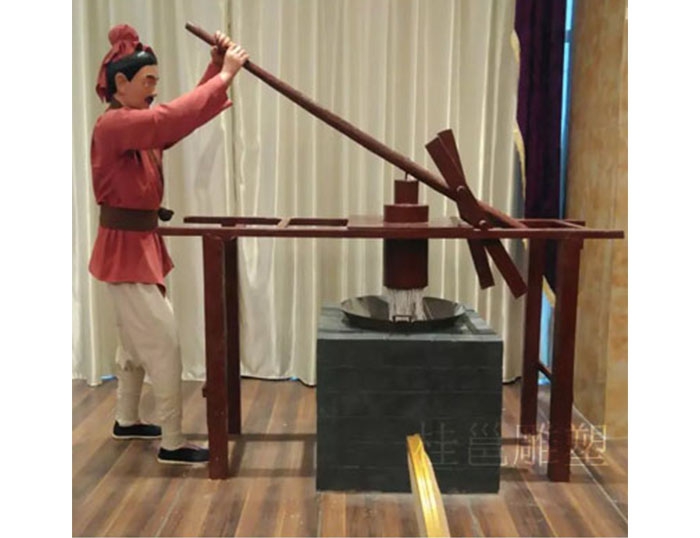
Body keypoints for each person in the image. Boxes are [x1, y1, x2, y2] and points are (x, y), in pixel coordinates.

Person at [89, 24, 248, 464]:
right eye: (148, 81)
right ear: (121, 83)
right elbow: (167, 120)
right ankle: (173, 443)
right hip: (126, 249)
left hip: (136, 244)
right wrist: (225, 75)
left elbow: (177, 120)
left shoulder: (135, 125)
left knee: (134, 343)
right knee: (161, 343)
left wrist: (214, 70)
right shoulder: (116, 124)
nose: (155, 90)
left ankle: (126, 420)